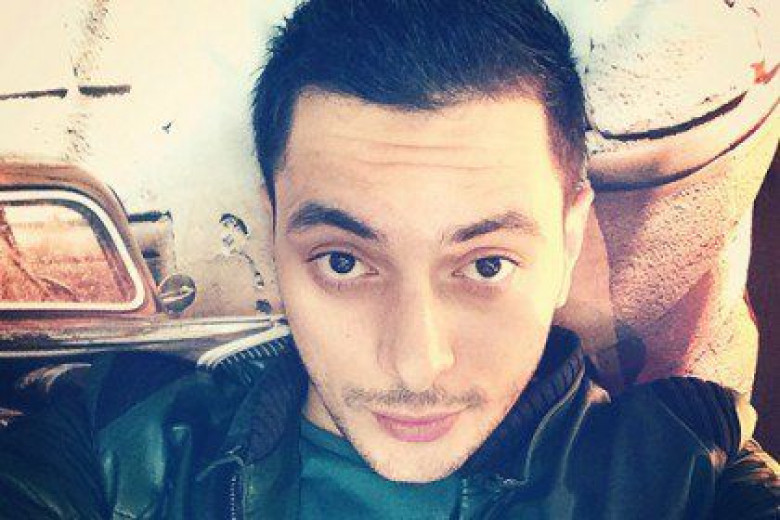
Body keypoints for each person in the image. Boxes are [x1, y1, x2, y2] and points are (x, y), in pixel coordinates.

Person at [0, 0, 777, 518]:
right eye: (344, 262)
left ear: (569, 241)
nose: (417, 363)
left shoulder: (689, 477)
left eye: (486, 265)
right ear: (274, 232)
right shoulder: (117, 448)